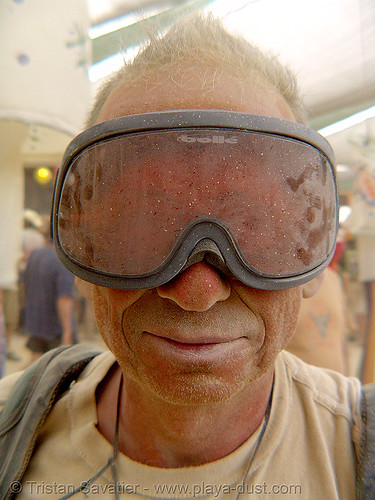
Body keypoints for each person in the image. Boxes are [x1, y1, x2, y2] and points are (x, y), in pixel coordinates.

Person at [0, 15, 369, 499]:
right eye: (143, 224)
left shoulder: (360, 450)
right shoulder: (12, 428)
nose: (196, 293)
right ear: (82, 264)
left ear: (313, 267)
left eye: (252, 227)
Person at [22, 235, 76, 364]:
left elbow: (24, 285)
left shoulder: (35, 255)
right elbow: (64, 298)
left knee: (35, 362)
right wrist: (67, 331)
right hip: (55, 327)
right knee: (56, 369)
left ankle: (15, 382)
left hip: (36, 321)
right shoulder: (63, 260)